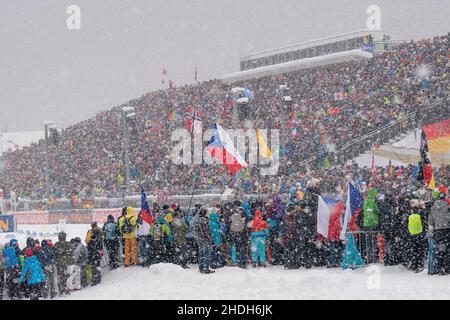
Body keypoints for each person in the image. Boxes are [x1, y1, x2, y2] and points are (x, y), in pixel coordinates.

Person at [428, 193, 450, 275]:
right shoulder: (447, 207)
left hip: (437, 231)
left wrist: (431, 232)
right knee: (447, 250)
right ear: (444, 198)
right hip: (447, 230)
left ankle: (439, 267)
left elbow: (430, 222)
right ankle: (446, 268)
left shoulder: (433, 209)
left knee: (440, 249)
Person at [404, 199, 427, 272]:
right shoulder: (421, 212)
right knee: (420, 249)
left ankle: (414, 264)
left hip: (412, 234)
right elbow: (424, 222)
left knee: (413, 250)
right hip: (420, 234)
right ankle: (420, 264)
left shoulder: (409, 213)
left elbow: (405, 223)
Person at [194, 206, 215, 274]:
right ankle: (205, 268)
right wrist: (210, 238)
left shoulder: (197, 219)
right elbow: (207, 232)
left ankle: (201, 267)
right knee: (206, 253)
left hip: (199, 239)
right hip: (205, 239)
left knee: (201, 253)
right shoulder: (204, 221)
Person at [282, 202, 302, 269]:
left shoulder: (287, 217)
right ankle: (293, 263)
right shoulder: (295, 217)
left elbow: (283, 228)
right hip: (293, 236)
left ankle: (289, 263)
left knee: (289, 250)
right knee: (293, 250)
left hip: (290, 236)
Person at [54, 231, 73, 296]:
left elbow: (54, 254)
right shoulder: (68, 244)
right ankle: (65, 289)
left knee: (60, 277)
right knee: (65, 276)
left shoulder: (56, 244)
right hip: (65, 263)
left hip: (59, 263)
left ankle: (61, 291)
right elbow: (70, 253)